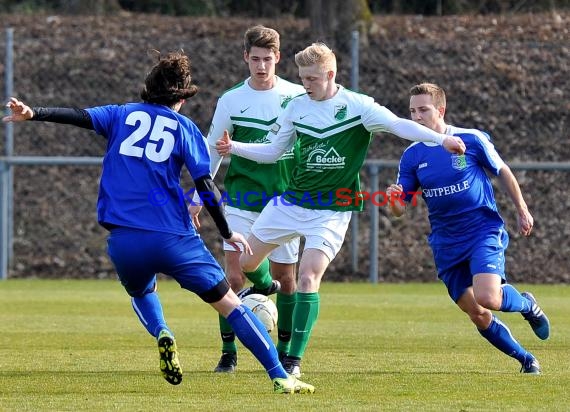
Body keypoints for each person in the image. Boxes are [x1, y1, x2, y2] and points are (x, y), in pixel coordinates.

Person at [2, 50, 314, 394]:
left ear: (147, 89)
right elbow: (205, 185)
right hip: (174, 239)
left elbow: (77, 115)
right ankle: (279, 375)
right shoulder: (185, 127)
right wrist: (227, 231)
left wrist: (34, 113)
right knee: (231, 305)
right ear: (181, 97)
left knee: (141, 289)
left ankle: (162, 331)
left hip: (125, 241)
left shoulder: (120, 114)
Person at [215, 43, 466, 377]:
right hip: (292, 200)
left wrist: (441, 140)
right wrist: (234, 147)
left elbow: (398, 125)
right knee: (246, 262)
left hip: (331, 210)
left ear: (330, 75)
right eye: (303, 77)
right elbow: (275, 150)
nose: (306, 83)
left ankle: (293, 360)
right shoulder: (296, 106)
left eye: (313, 78)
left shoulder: (357, 106)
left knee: (307, 278)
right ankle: (268, 288)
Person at [385, 82, 550, 374]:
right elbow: (399, 210)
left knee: (489, 296)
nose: (417, 116)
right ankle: (526, 359)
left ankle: (526, 305)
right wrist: (394, 200)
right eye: (412, 111)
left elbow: (503, 172)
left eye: (423, 109)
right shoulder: (412, 155)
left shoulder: (470, 139)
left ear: (441, 110)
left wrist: (522, 209)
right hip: (446, 242)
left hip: (481, 230)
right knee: (477, 311)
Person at [189, 25, 306, 373]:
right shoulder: (232, 100)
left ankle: (285, 353)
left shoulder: (297, 96)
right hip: (242, 198)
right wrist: (198, 194)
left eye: (267, 59)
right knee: (234, 278)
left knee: (288, 280)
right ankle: (228, 353)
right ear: (245, 57)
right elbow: (212, 151)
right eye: (255, 58)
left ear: (278, 58)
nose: (261, 65)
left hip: (284, 202)